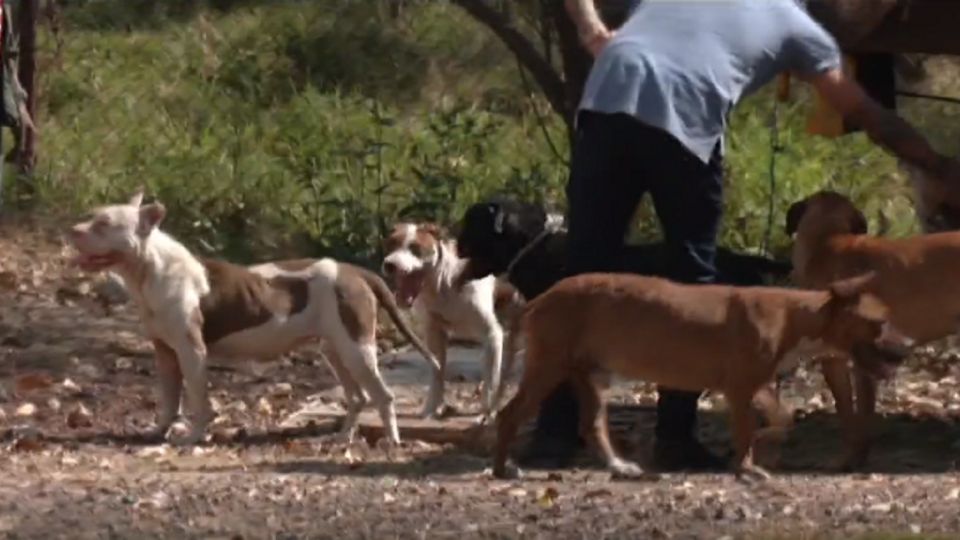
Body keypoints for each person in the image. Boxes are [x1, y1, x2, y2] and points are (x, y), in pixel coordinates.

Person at [523, 0, 960, 471]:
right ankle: (674, 438)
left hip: (605, 102)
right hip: (683, 120)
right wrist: (936, 166)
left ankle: (553, 437)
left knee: (587, 269)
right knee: (691, 279)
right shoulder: (793, 22)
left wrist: (591, 30)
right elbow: (868, 113)